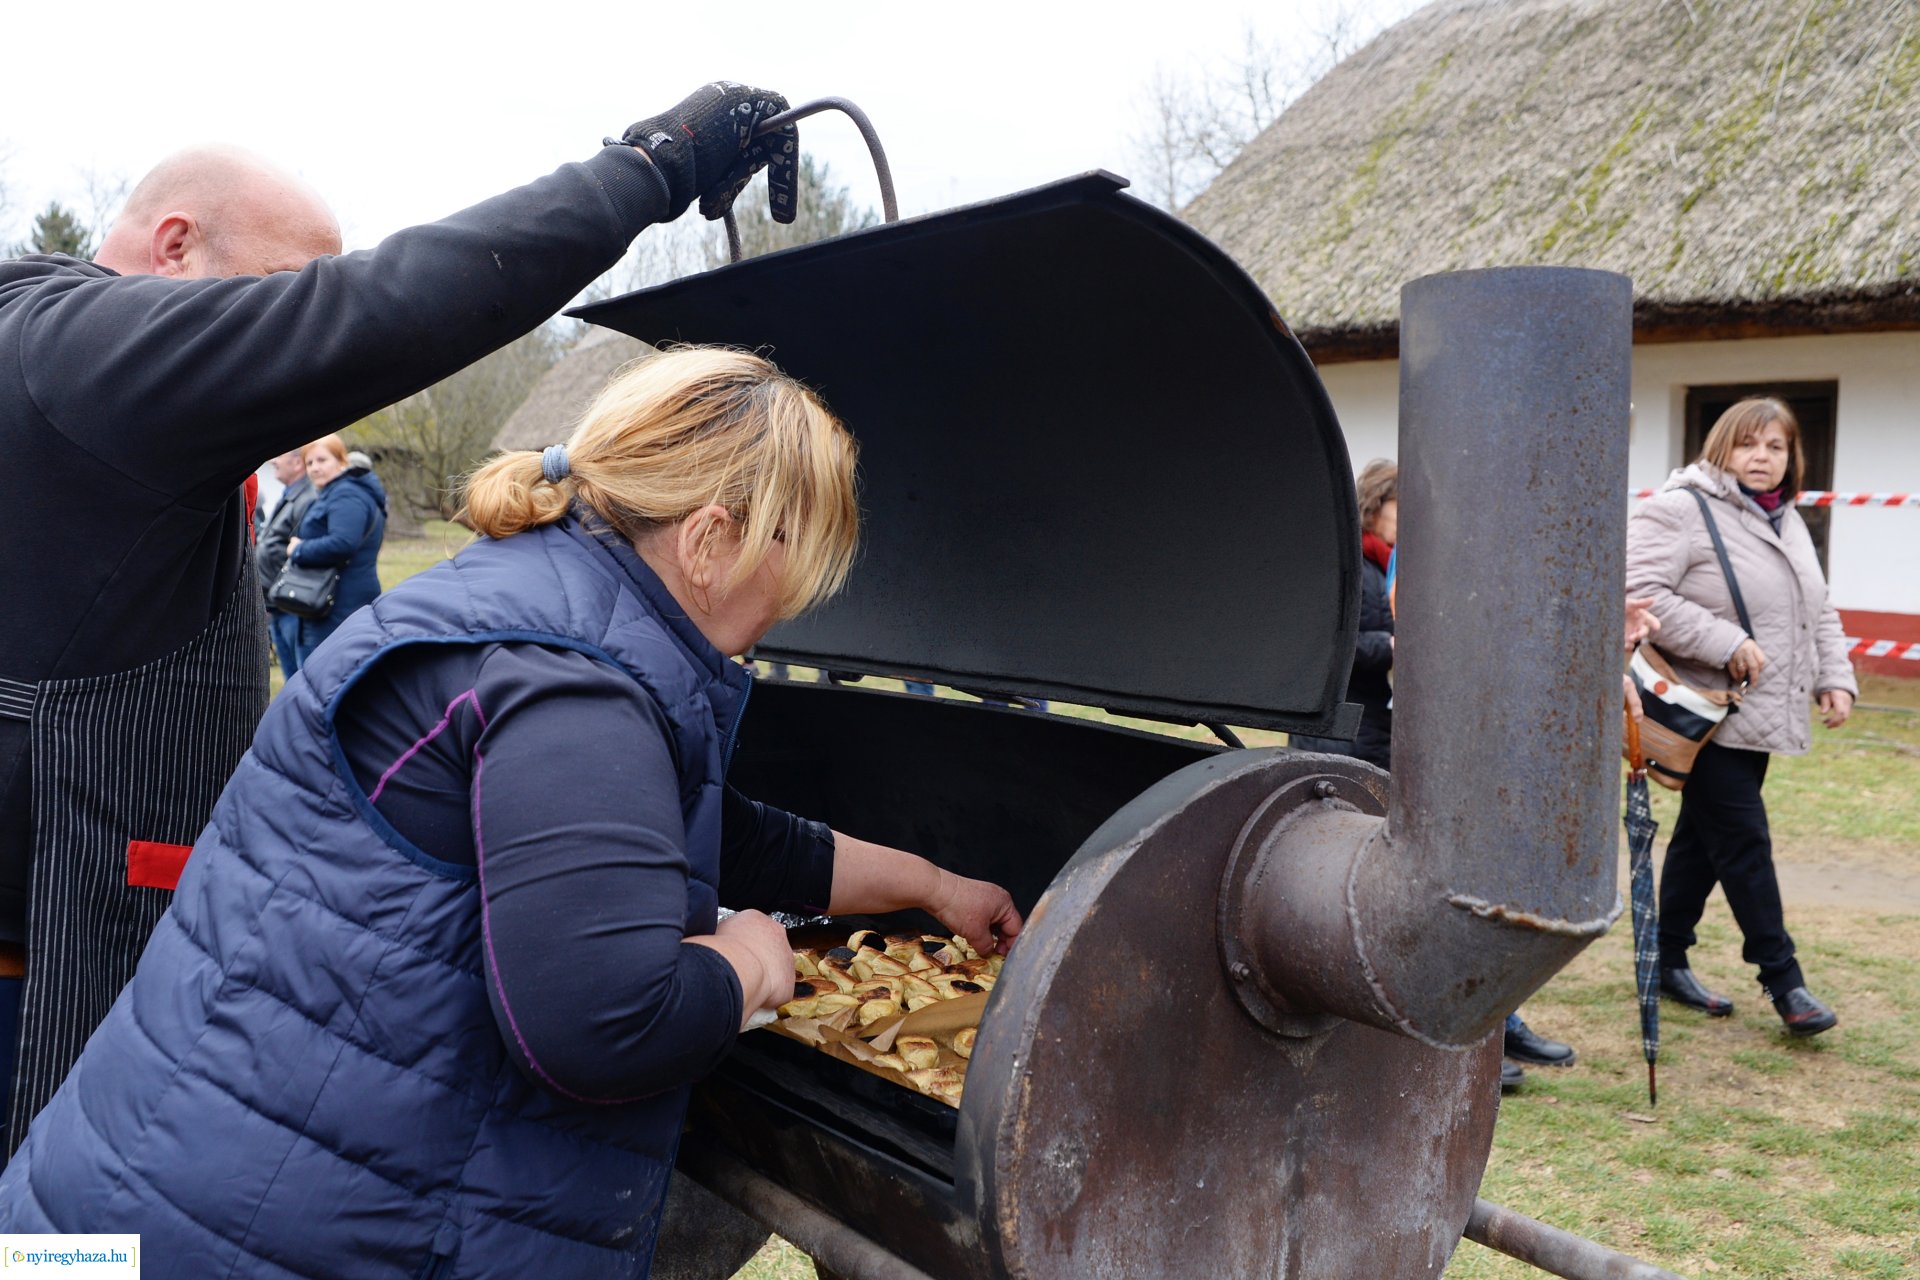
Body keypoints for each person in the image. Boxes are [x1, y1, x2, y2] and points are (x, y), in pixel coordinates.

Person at [0, 348, 1023, 1276]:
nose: (790, 609)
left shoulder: (534, 600)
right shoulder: (576, 683)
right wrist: (749, 963)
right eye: (792, 571)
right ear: (713, 539)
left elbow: (726, 834)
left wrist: (932, 884)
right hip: (252, 1230)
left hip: (153, 1172)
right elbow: (600, 1020)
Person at [0, 81, 800, 1149]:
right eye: (283, 294)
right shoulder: (76, 348)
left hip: (79, 905)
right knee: (56, 1231)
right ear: (175, 246)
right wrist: (649, 169)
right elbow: (374, 315)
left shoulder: (69, 370)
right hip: (42, 952)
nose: (305, 360)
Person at [1626, 397, 1855, 1037]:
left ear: (1792, 456)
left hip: (1754, 713)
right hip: (1700, 710)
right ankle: (1785, 981)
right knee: (1744, 842)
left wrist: (1835, 676)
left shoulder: (1788, 520)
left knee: (1705, 842)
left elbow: (1819, 608)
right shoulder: (1680, 509)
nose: (1763, 457)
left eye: (1776, 446)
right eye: (1749, 444)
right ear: (1722, 446)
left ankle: (1667, 959)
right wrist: (1724, 642)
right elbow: (1634, 593)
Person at [1292, 458, 1396, 768]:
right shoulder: (1346, 562)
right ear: (1375, 503)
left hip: (1371, 724)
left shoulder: (1386, 567)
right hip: (1336, 730)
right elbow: (1321, 638)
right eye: (1400, 504)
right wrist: (1389, 647)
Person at [287, 434, 388, 662]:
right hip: (328, 599)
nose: (314, 468)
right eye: (309, 463)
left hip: (341, 604)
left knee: (328, 676)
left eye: (322, 460)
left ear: (342, 461)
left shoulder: (347, 494)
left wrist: (299, 550)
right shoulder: (336, 492)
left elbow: (343, 543)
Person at [256, 449, 318, 678]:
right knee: (289, 672)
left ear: (297, 463)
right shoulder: (290, 494)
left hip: (291, 601)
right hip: (277, 601)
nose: (272, 460)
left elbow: (300, 546)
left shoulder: (307, 498)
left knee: (300, 673)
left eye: (279, 456)